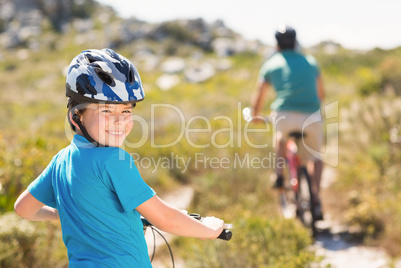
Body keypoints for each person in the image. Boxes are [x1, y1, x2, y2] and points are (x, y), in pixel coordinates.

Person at [14, 48, 225, 267]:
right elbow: (164, 218)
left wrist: (71, 213)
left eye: (126, 111)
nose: (119, 122)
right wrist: (209, 229)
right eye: (106, 111)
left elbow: (24, 208)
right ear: (76, 116)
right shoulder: (113, 160)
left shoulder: (61, 160)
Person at [251, 25, 325, 220]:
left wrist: (255, 115)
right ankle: (315, 198)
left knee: (281, 137)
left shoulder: (271, 63)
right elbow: (321, 94)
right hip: (311, 116)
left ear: (277, 45)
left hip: (284, 115)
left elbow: (259, 95)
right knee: (316, 157)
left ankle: (278, 174)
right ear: (296, 43)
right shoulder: (310, 62)